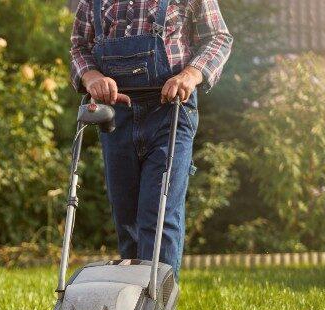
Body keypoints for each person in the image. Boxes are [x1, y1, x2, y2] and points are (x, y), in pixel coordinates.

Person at [70, 0, 233, 280]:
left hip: (170, 110)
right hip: (116, 116)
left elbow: (218, 37)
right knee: (127, 220)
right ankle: (132, 308)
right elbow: (79, 47)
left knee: (159, 217)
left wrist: (190, 75)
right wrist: (92, 76)